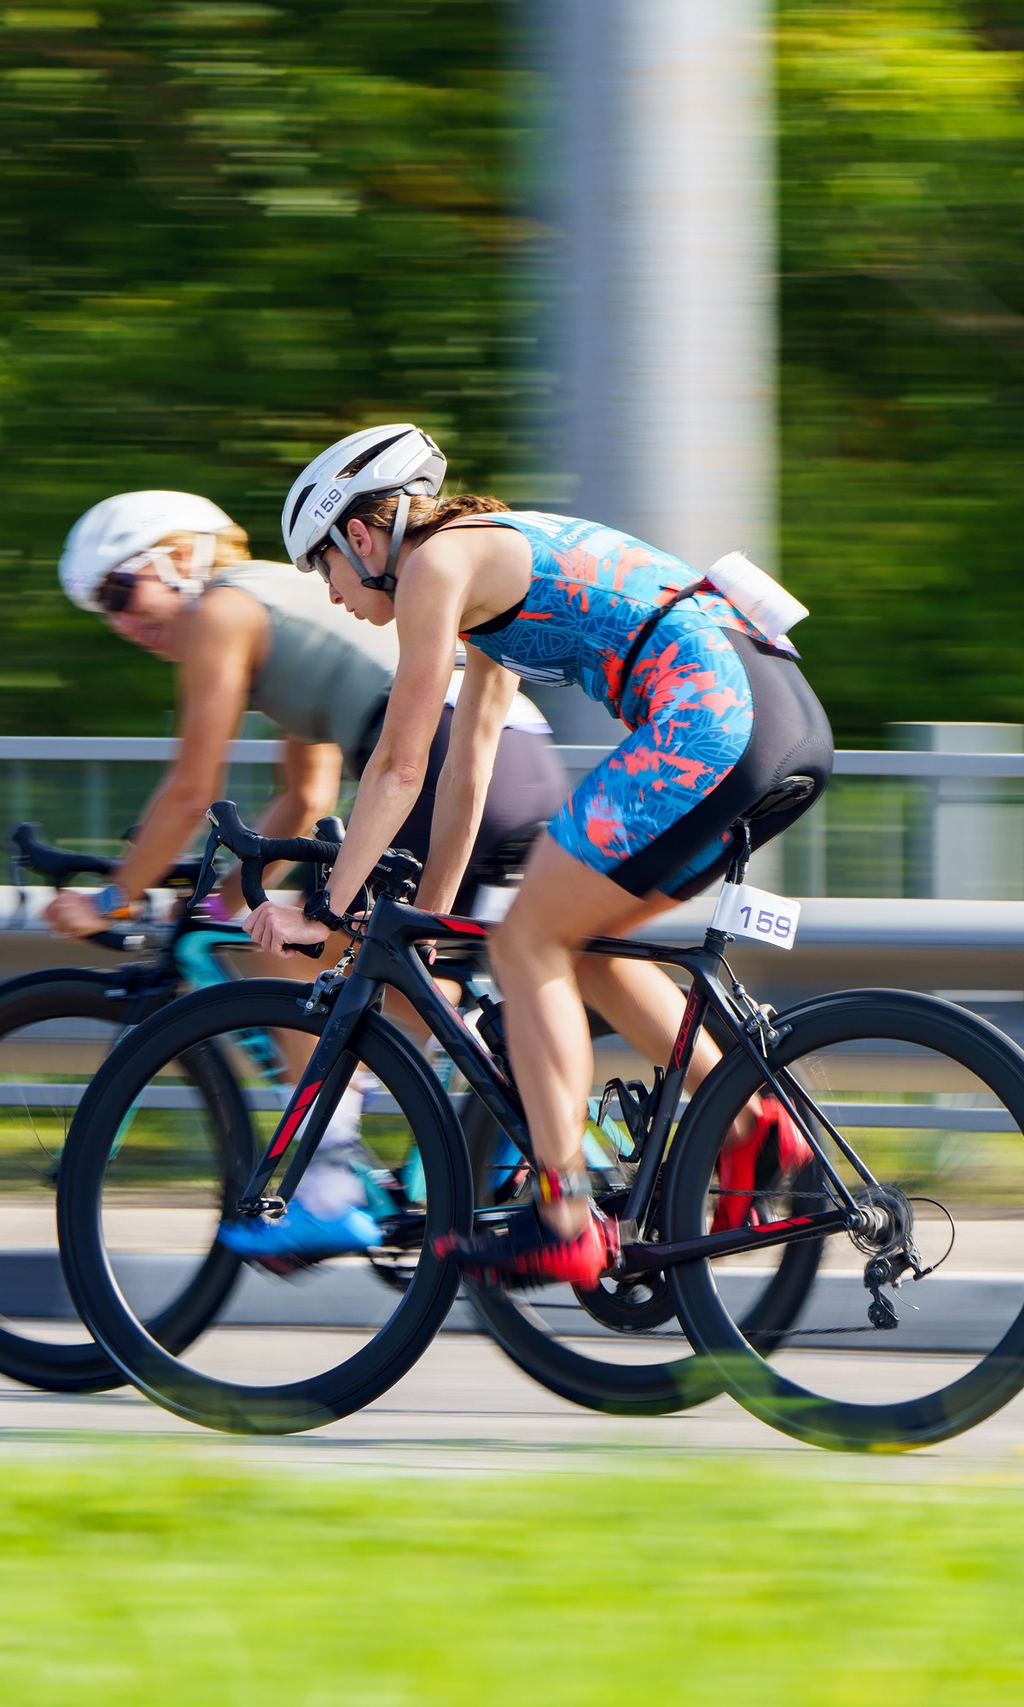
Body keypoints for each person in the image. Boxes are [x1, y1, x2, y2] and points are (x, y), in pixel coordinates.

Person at [244, 425, 831, 1286]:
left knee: (526, 940)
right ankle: (748, 1124)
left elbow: (400, 763)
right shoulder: (484, 566)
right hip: (774, 716)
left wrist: (327, 908)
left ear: (360, 537)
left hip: (712, 721)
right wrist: (429, 918)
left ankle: (564, 1216)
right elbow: (465, 772)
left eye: (322, 566)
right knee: (573, 941)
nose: (329, 593)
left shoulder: (435, 565)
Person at [48, 489, 569, 1263]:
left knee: (292, 953)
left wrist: (114, 896)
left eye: (122, 591)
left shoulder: (222, 613)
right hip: (514, 756)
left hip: (446, 759)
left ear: (181, 559)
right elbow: (304, 795)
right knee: (398, 977)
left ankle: (330, 1186)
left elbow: (191, 788)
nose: (121, 622)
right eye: (104, 610)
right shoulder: (279, 603)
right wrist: (222, 900)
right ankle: (500, 1115)